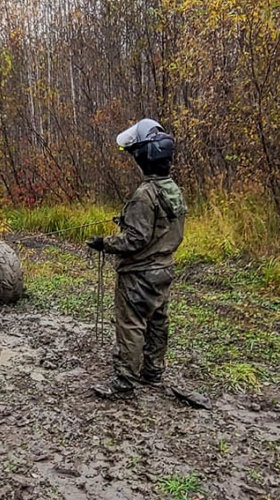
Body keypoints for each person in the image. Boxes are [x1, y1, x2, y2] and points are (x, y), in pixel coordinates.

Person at [86, 118, 187, 400]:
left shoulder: (145, 194)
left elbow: (135, 240)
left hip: (140, 273)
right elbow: (159, 227)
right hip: (164, 268)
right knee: (158, 321)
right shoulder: (172, 189)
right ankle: (152, 372)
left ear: (145, 158)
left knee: (131, 324)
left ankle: (123, 383)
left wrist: (103, 243)